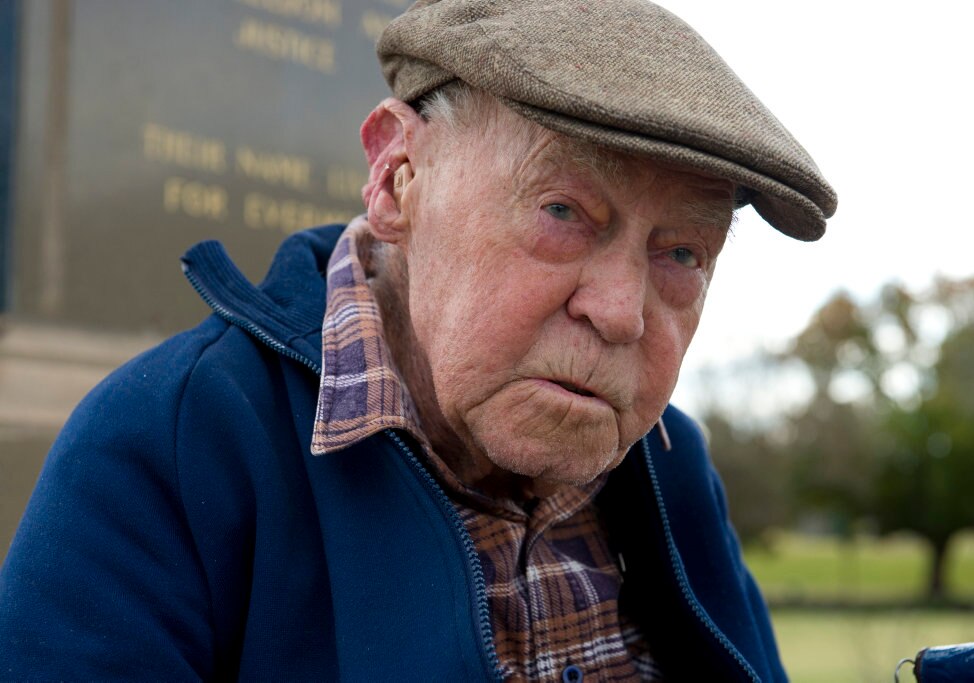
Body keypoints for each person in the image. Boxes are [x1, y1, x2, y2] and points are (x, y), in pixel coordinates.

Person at [0, 1, 836, 680]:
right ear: (398, 176)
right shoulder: (172, 446)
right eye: (562, 212)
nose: (622, 312)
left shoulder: (670, 461)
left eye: (682, 253)